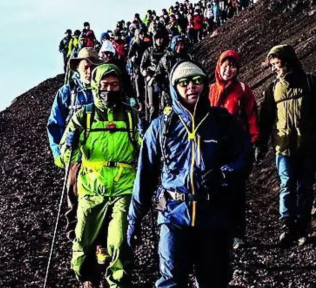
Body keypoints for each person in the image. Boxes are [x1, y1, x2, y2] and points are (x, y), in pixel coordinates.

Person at [128, 60, 250, 288]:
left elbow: (244, 157)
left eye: (196, 81)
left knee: (214, 282)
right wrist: (134, 219)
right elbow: (144, 176)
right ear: (175, 87)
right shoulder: (160, 127)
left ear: (204, 84)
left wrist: (223, 175)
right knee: (171, 282)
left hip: (213, 215)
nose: (190, 87)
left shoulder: (221, 121)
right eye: (183, 82)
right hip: (173, 216)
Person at [61, 63, 142, 288]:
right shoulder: (83, 116)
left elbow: (145, 152)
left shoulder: (130, 116)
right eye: (104, 85)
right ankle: (86, 277)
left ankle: (117, 282)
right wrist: (71, 146)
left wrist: (146, 137)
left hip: (123, 188)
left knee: (118, 240)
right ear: (96, 86)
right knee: (82, 238)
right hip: (91, 189)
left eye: (114, 85)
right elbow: (65, 157)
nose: (109, 89)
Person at [258, 45, 316, 247]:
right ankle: (287, 225)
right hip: (283, 147)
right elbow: (265, 119)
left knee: (305, 187)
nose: (274, 68)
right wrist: (260, 144)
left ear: (288, 61)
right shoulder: (272, 89)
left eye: (277, 63)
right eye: (272, 65)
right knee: (287, 184)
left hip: (308, 145)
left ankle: (303, 226)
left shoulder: (310, 83)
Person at [47, 47, 103, 239]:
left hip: (101, 153)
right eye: (86, 66)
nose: (89, 70)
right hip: (75, 154)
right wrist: (58, 154)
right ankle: (75, 232)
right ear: (77, 67)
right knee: (74, 191)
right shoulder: (66, 93)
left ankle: (98, 239)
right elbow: (55, 125)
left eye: (94, 67)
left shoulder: (104, 90)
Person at [209, 50, 259, 249]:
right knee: (214, 190)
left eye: (233, 66)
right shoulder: (210, 90)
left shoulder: (243, 90)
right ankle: (220, 231)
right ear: (219, 66)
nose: (229, 70)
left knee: (236, 191)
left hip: (236, 148)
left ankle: (238, 233)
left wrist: (254, 140)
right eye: (225, 65)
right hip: (213, 148)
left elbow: (251, 116)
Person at [154, 35, 192, 109]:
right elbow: (157, 75)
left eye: (181, 44)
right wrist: (163, 87)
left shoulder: (186, 57)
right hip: (168, 91)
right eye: (177, 44)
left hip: (183, 89)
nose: (180, 47)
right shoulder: (166, 58)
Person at [140, 29, 169, 122]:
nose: (159, 40)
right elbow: (142, 66)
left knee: (166, 106)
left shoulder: (167, 51)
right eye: (157, 38)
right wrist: (144, 72)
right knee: (153, 107)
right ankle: (152, 126)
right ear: (154, 39)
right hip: (152, 81)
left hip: (164, 81)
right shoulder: (149, 51)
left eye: (161, 38)